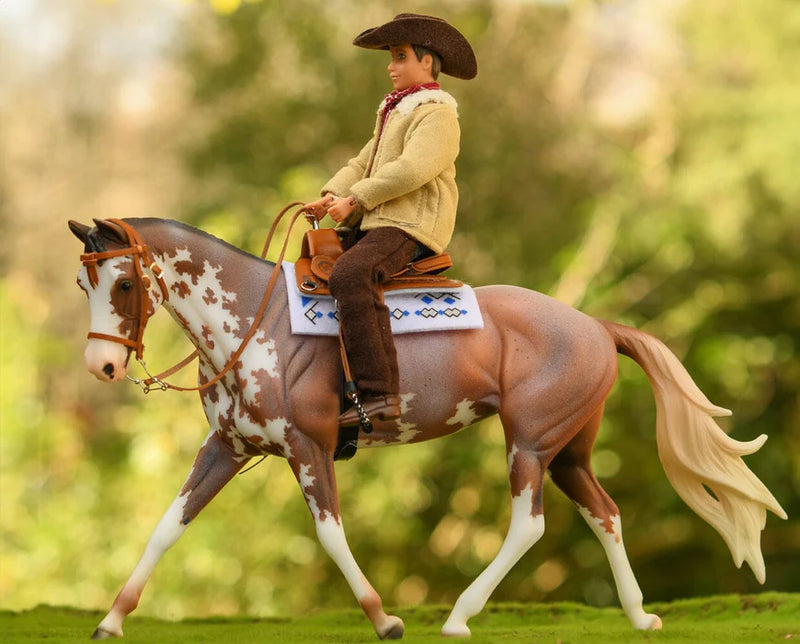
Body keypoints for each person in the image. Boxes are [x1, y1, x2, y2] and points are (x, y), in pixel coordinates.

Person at [305, 13, 477, 426]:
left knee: (350, 275)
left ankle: (378, 393)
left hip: (409, 226)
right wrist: (331, 194)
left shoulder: (437, 114)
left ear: (427, 61)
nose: (391, 65)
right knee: (310, 263)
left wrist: (355, 199)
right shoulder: (395, 112)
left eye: (400, 56)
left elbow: (412, 168)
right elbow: (362, 162)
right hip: (376, 223)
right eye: (391, 56)